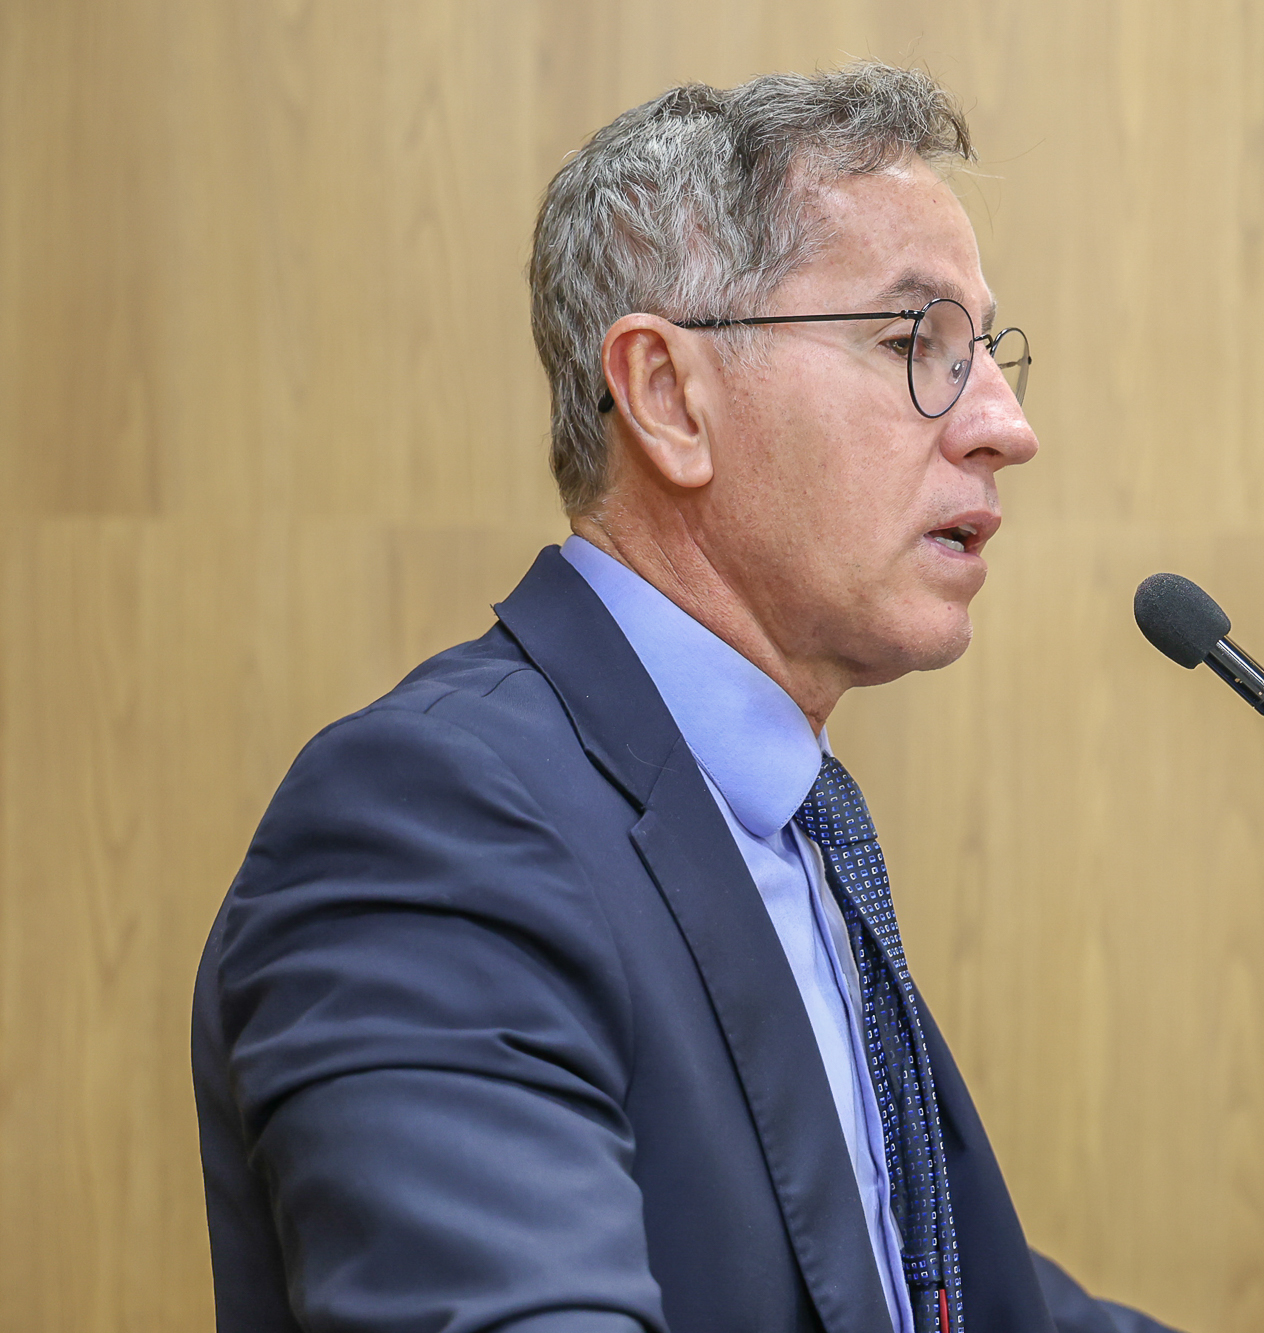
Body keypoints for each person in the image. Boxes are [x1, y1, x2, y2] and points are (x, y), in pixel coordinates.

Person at [192, 62, 1181, 1333]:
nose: (1002, 424)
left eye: (987, 354)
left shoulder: (791, 829)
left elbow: (913, 1288)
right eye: (912, 344)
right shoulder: (427, 823)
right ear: (667, 397)